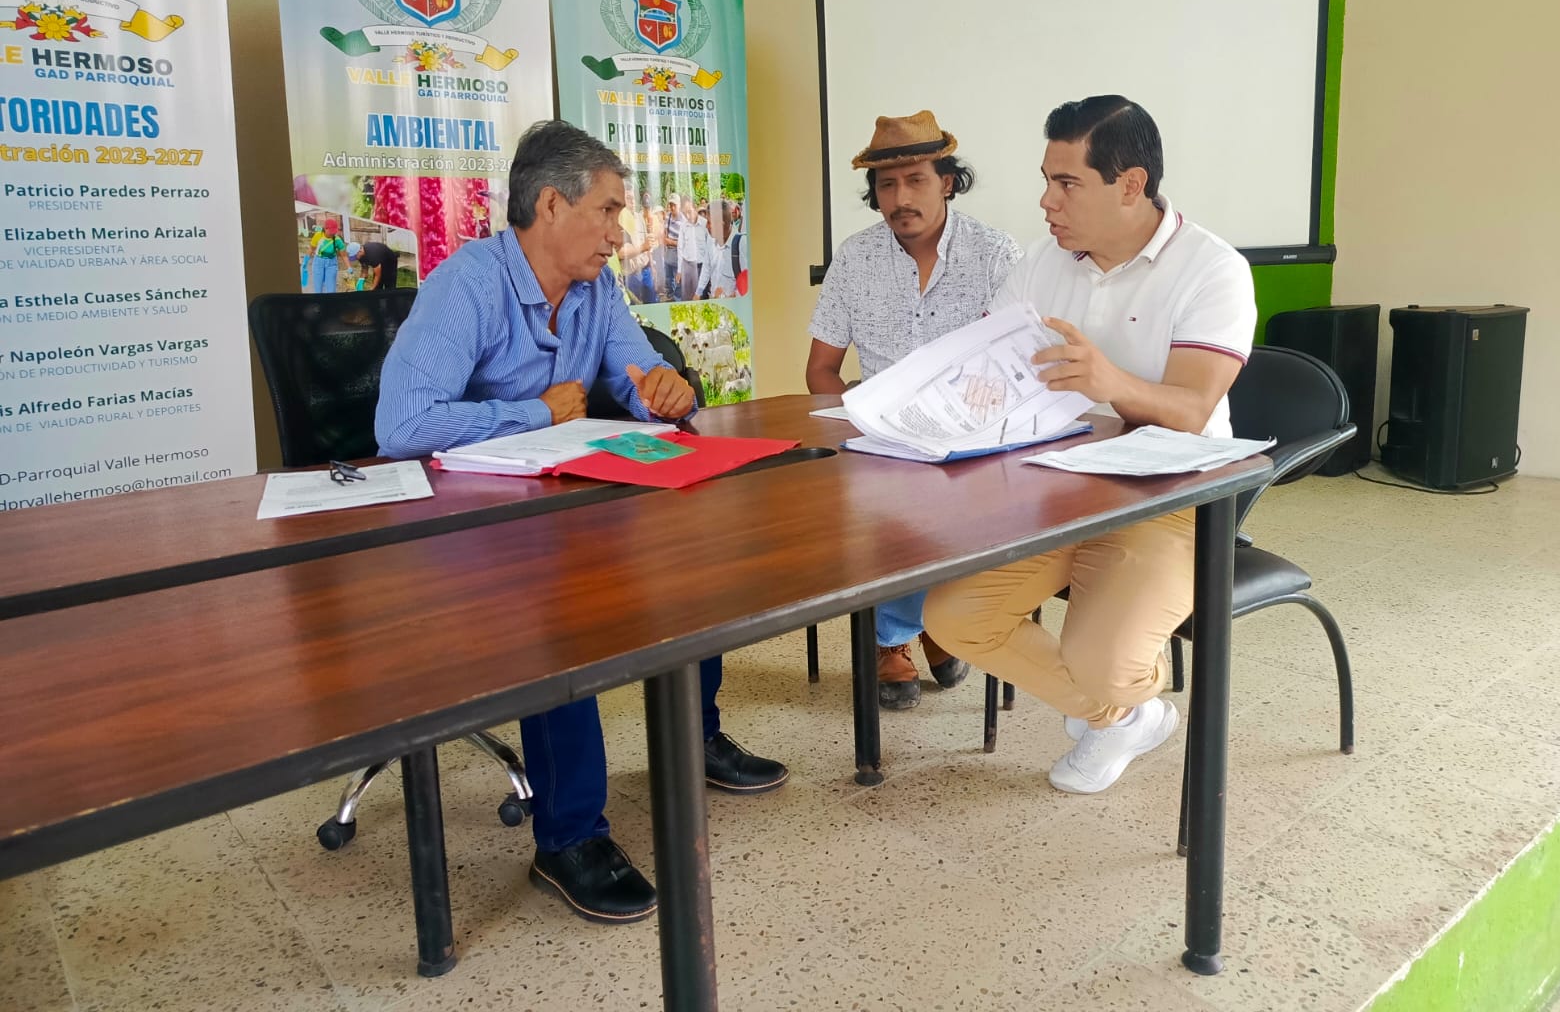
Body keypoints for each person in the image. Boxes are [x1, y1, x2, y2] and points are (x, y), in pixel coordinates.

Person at [375, 119, 788, 924]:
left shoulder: (597, 290)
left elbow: (638, 372)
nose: (618, 232)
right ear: (551, 205)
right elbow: (402, 424)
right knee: (558, 615)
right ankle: (569, 840)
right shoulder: (468, 284)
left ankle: (694, 737)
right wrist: (534, 410)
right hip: (462, 528)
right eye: (607, 210)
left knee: (690, 559)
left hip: (556, 503)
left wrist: (663, 389)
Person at [921, 95, 1256, 794]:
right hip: (1056, 486)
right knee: (952, 617)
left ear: (1130, 185)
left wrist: (1110, 381)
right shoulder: (1042, 264)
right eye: (1047, 180)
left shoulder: (1212, 269)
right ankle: (1126, 717)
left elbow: (1193, 409)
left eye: (1067, 183)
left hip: (1168, 496)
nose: (1047, 201)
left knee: (1104, 662)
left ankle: (1116, 695)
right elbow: (991, 369)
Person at [806, 110, 1021, 709]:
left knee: (954, 495)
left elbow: (1016, 366)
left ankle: (922, 624)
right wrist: (859, 422)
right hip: (883, 442)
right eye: (887, 185)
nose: (901, 199)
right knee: (888, 492)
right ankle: (901, 636)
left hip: (973, 440)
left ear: (947, 181)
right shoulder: (855, 258)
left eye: (917, 180)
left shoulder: (995, 254)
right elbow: (820, 370)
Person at [696, 201, 744, 300]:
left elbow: (748, 287)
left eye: (709, 222)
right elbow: (706, 268)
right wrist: (698, 293)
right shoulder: (710, 240)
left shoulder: (741, 245)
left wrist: (727, 297)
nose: (706, 226)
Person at [308, 217, 345, 293]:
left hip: (331, 263)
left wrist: (349, 267)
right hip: (318, 262)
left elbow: (344, 255)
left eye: (334, 231)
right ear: (325, 228)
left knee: (331, 289)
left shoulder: (337, 239)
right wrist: (305, 262)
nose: (333, 233)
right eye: (331, 231)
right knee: (318, 288)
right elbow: (311, 249)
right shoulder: (318, 236)